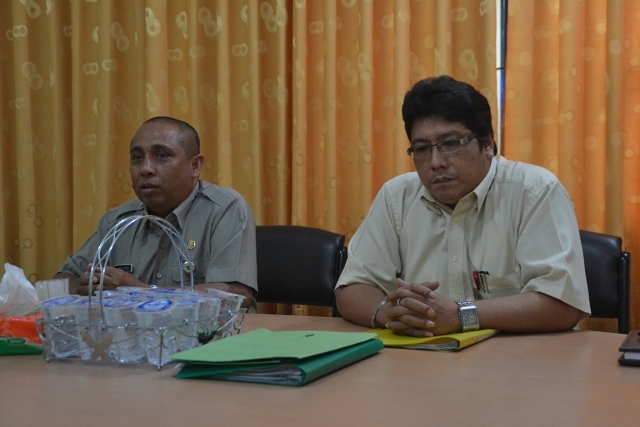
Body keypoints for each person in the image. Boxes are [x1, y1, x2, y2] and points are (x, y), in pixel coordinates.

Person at [335, 75, 591, 336]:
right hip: (419, 355)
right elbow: (352, 287)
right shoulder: (396, 197)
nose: (435, 162)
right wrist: (387, 314)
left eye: (450, 144)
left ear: (487, 144)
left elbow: (563, 303)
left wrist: (461, 316)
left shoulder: (535, 191)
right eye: (422, 149)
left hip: (518, 357)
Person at [55, 116, 257, 310]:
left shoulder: (224, 208)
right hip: (131, 332)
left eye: (161, 156)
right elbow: (64, 279)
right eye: (137, 158)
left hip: (210, 333)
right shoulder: (117, 221)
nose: (146, 169)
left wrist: (141, 292)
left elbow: (236, 295)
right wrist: (84, 287)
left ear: (195, 166)